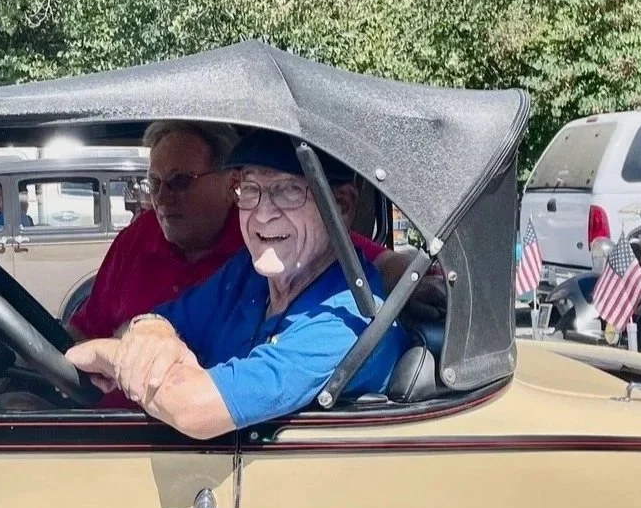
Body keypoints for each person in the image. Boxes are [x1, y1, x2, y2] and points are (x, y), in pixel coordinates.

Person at [66, 132, 410, 438]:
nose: (262, 214)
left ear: (343, 204)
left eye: (288, 191)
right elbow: (164, 317)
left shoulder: (346, 320)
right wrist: (151, 331)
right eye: (249, 190)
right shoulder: (247, 275)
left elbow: (193, 409)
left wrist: (104, 353)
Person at [70, 121, 429, 344]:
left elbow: (359, 256)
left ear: (229, 183)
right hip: (110, 424)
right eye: (154, 183)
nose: (161, 197)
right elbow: (86, 330)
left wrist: (419, 281)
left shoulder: (264, 246)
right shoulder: (135, 240)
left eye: (180, 181)